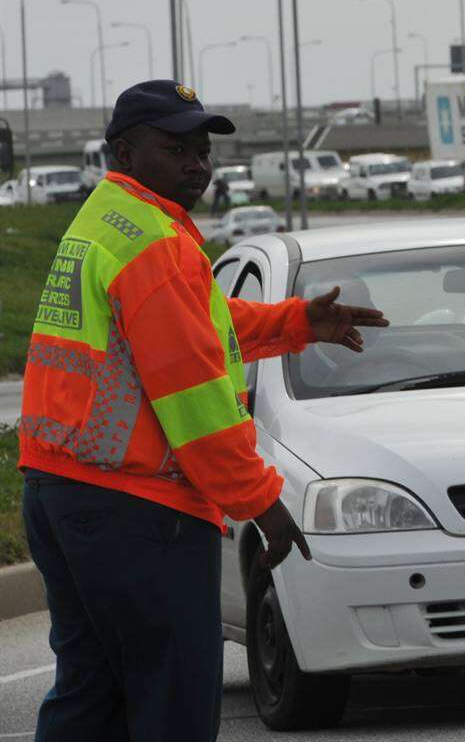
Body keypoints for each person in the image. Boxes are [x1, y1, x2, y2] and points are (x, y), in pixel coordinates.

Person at [18, 80, 389, 741]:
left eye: (201, 149)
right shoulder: (155, 246)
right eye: (175, 148)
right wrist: (260, 501)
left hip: (60, 492)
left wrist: (298, 321)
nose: (196, 164)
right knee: (175, 700)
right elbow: (193, 396)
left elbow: (198, 327)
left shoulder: (107, 222)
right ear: (125, 152)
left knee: (91, 692)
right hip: (137, 508)